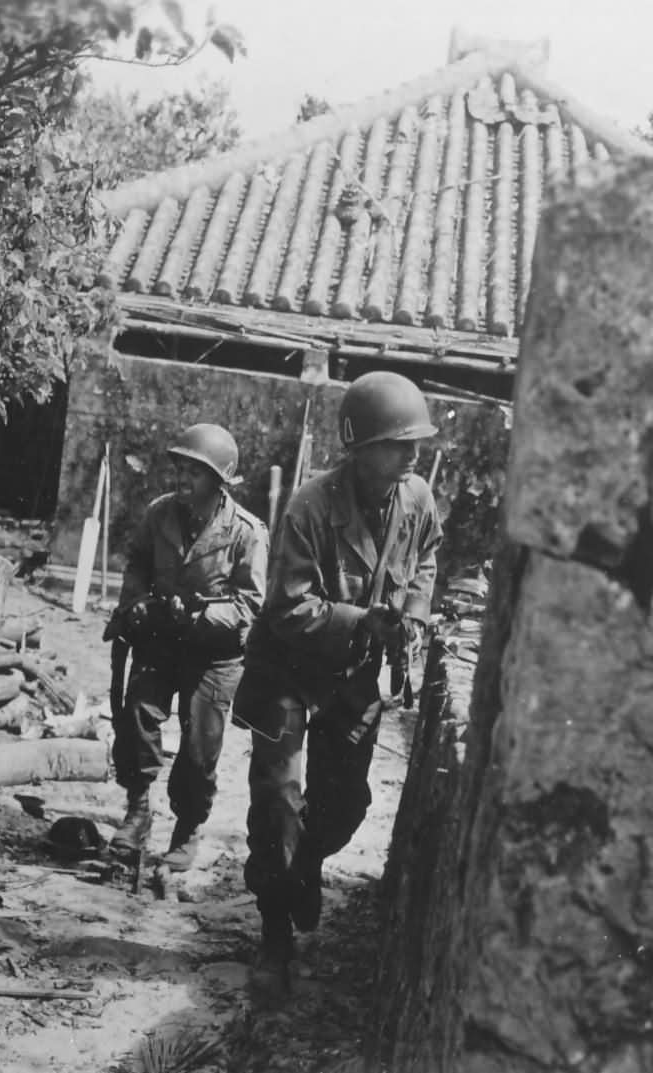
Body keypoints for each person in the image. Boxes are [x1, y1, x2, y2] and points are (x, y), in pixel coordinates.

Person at [232, 370, 441, 998]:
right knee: (277, 806)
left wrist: (416, 617)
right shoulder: (310, 507)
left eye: (416, 443)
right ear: (361, 447)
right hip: (288, 674)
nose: (413, 454)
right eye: (399, 443)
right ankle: (273, 934)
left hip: (355, 680)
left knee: (345, 807)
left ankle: (305, 868)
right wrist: (361, 620)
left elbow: (427, 559)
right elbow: (287, 607)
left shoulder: (417, 500)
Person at [103, 423, 269, 871]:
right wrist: (135, 603)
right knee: (136, 717)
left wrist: (197, 615)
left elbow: (250, 606)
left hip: (214, 655)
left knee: (200, 751)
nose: (183, 480)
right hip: (159, 640)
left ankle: (188, 828)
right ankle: (137, 812)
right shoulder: (160, 514)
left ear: (220, 482)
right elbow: (137, 562)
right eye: (180, 470)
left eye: (195, 473)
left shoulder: (246, 533)